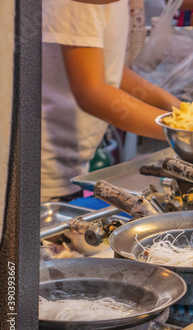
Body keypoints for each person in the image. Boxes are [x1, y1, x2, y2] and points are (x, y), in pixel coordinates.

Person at [41, 0, 181, 202]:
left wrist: (175, 106)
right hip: (42, 168)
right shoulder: (80, 4)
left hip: (72, 162)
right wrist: (187, 130)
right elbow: (91, 93)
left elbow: (110, 68)